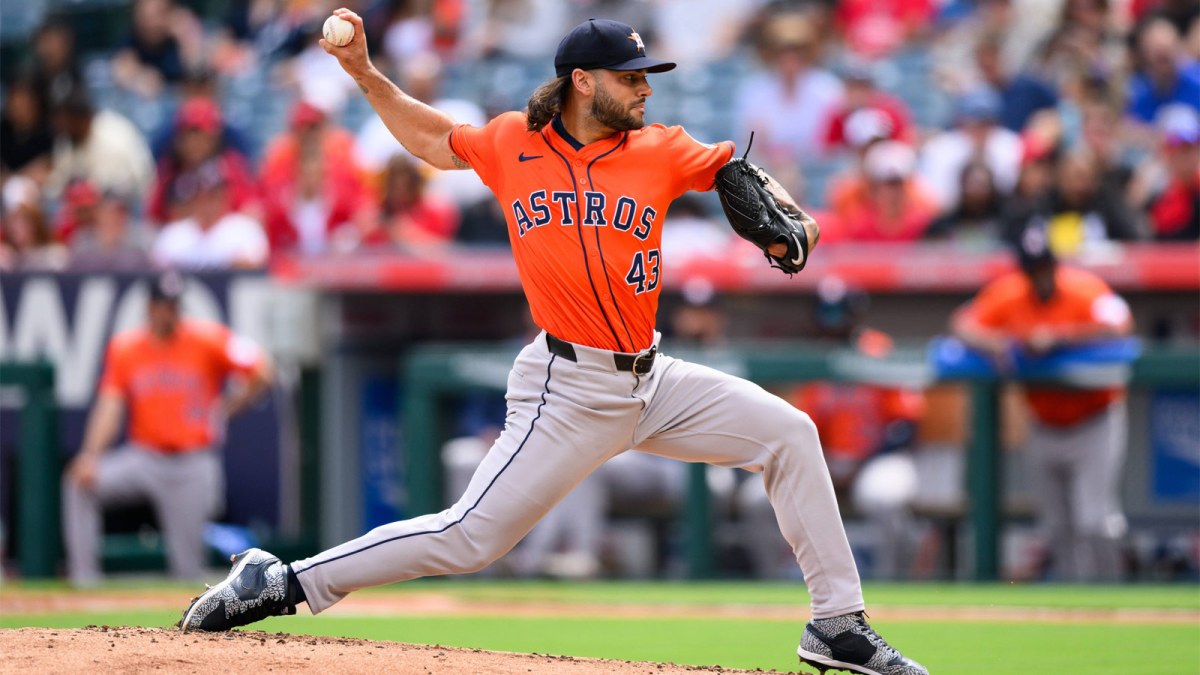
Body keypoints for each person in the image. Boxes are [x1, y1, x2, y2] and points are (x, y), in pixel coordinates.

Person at [178, 14, 927, 675]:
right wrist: (367, 75)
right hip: (564, 389)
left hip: (651, 379)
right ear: (580, 81)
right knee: (466, 537)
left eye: (647, 76)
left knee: (790, 434)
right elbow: (434, 139)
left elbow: (746, 176)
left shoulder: (661, 147)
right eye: (630, 77)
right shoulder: (514, 142)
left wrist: (798, 221)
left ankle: (838, 622)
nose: (645, 90)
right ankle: (281, 580)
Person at [62, 271, 273, 586]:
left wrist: (229, 407)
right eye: (162, 304)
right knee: (80, 482)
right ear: (149, 307)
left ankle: (183, 629)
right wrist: (91, 454)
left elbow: (261, 369)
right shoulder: (127, 347)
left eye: (173, 304)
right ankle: (84, 581)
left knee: (187, 573)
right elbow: (110, 405)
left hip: (192, 462)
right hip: (144, 457)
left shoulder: (207, 338)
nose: (168, 311)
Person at [951, 228, 1134, 581]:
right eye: (1033, 269)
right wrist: (998, 343)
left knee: (1095, 521)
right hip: (1044, 421)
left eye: (1045, 266)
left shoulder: (1085, 289)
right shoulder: (1010, 293)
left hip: (1093, 419)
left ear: (1055, 264)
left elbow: (1122, 327)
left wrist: (1061, 338)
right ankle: (1071, 606)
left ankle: (1115, 596)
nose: (1041, 276)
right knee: (1056, 526)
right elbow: (961, 325)